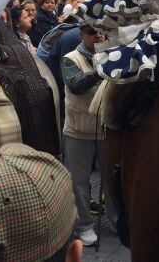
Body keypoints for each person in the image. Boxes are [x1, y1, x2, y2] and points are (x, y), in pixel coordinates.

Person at [61, 21, 108, 247]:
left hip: (106, 128)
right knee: (79, 181)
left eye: (101, 32)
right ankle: (85, 225)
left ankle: (118, 219)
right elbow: (75, 85)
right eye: (92, 32)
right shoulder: (70, 59)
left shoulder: (111, 53)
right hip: (79, 131)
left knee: (110, 179)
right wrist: (100, 69)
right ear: (82, 34)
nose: (98, 36)